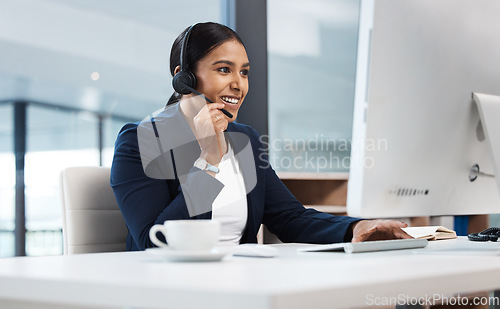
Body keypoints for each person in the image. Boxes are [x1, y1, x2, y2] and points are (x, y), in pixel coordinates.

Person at [110, 22, 412, 251]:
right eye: (224, 70)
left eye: (244, 72)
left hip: (243, 286)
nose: (238, 84)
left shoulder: (245, 140)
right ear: (184, 77)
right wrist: (208, 159)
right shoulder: (141, 141)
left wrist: (357, 227)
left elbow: (290, 218)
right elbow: (155, 242)